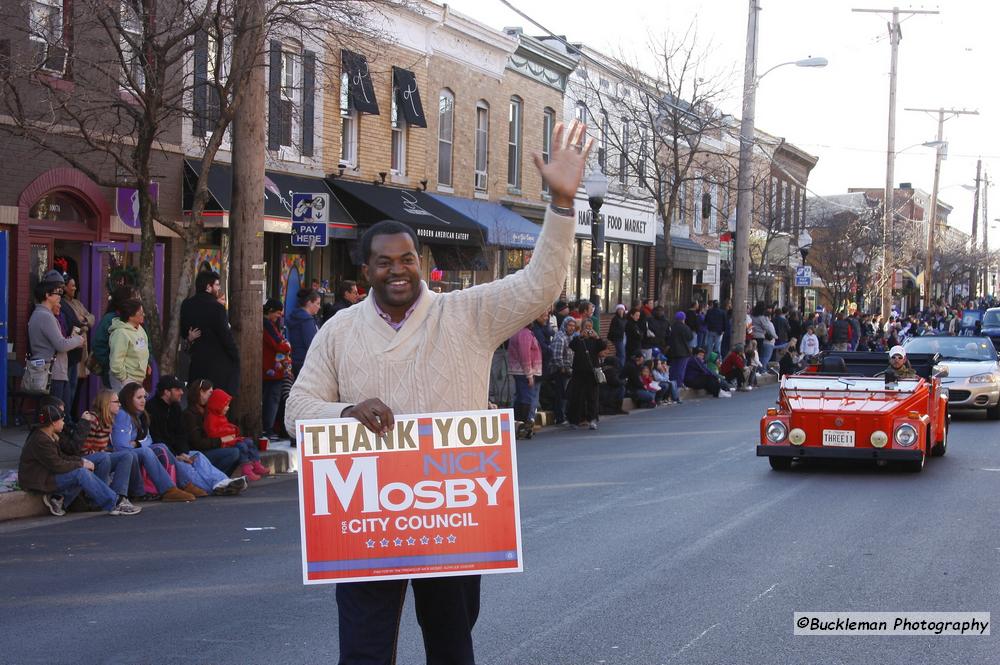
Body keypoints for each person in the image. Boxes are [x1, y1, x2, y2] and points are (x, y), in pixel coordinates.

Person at [283, 118, 591, 665]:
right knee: (364, 650)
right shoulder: (339, 330)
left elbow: (539, 284)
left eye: (407, 259)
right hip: (368, 519)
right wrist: (347, 411)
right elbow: (296, 410)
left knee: (451, 644)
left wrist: (562, 206)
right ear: (365, 268)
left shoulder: (465, 314)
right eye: (385, 261)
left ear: (420, 262)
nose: (399, 270)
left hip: (449, 516)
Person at [19, 398, 141, 516]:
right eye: (61, 420)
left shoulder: (50, 435)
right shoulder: (41, 440)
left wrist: (82, 460)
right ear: (53, 423)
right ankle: (115, 503)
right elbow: (58, 465)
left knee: (84, 467)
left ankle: (60, 500)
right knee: (80, 473)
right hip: (39, 480)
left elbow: (62, 457)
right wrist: (81, 464)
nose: (63, 423)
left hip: (48, 475)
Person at [146, 375, 248, 495]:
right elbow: (157, 438)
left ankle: (223, 482)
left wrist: (183, 452)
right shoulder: (152, 408)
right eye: (177, 389)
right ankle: (212, 488)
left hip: (180, 452)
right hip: (164, 454)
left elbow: (181, 434)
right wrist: (176, 455)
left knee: (197, 456)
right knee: (184, 465)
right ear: (167, 392)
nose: (181, 392)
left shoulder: (175, 407)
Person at [110, 382, 197, 502]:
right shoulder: (123, 415)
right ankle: (168, 489)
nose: (143, 401)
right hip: (122, 455)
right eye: (139, 397)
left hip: (134, 451)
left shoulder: (140, 415)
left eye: (144, 397)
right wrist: (139, 446)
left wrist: (137, 443)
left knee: (161, 446)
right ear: (129, 399)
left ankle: (185, 484)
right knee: (146, 452)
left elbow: (149, 440)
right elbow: (121, 446)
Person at [27, 275, 84, 413]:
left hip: (49, 369)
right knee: (56, 413)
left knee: (53, 412)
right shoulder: (46, 316)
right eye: (57, 292)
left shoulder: (39, 313)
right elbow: (61, 344)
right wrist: (79, 340)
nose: (60, 295)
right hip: (53, 371)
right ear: (47, 295)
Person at [181, 270, 240, 395]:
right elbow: (225, 335)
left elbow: (184, 332)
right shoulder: (217, 308)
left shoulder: (187, 305)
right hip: (217, 367)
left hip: (196, 363)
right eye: (217, 285)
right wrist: (235, 355)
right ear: (208, 287)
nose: (218, 288)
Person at [203, 388, 270, 481]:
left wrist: (232, 428)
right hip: (224, 442)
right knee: (242, 446)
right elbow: (213, 432)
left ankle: (256, 463)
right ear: (218, 405)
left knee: (249, 441)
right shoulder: (211, 418)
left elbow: (225, 426)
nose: (228, 408)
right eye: (225, 405)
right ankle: (246, 468)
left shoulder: (220, 416)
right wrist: (229, 431)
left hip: (230, 439)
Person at [181, 379, 242, 477]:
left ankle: (222, 478)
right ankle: (215, 478)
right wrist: (220, 440)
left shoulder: (207, 411)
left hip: (209, 449)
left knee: (240, 448)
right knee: (234, 453)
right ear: (201, 392)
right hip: (198, 453)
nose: (212, 396)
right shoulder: (189, 415)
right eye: (210, 393)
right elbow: (198, 443)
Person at [91, 286, 139, 389]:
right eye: (133, 298)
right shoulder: (109, 319)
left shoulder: (136, 319)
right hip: (114, 374)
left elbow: (145, 342)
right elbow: (98, 345)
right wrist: (109, 364)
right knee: (115, 402)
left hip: (135, 373)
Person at [62, 276, 95, 413]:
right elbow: (75, 323)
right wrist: (82, 323)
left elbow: (91, 318)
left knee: (78, 384)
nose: (74, 288)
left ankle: (73, 415)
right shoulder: (63, 304)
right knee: (70, 384)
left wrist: (85, 321)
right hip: (72, 350)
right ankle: (68, 416)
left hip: (83, 349)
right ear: (64, 287)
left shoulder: (77, 303)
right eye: (72, 285)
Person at [507, 320, 543, 439]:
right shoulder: (524, 333)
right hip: (523, 372)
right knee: (526, 398)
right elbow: (525, 355)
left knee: (521, 397)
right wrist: (529, 374)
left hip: (520, 371)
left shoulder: (519, 332)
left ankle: (519, 425)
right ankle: (521, 426)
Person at [262, 298, 292, 439]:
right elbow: (279, 344)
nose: (279, 316)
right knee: (272, 399)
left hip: (273, 369)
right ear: (271, 311)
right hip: (271, 371)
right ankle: (268, 428)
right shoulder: (266, 324)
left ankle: (271, 427)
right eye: (278, 313)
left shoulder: (271, 324)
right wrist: (286, 346)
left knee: (273, 399)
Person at [108, 299, 150, 392]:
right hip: (125, 381)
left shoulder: (140, 329)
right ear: (131, 316)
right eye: (140, 313)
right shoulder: (120, 333)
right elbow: (116, 361)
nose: (143, 315)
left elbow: (142, 349)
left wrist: (146, 365)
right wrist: (124, 379)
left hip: (138, 379)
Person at [287, 288, 321, 379]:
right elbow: (312, 344)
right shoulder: (307, 320)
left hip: (296, 359)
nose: (319, 307)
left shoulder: (296, 316)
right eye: (317, 303)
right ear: (309, 303)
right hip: (306, 361)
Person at [550, 316, 576, 425]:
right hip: (561, 370)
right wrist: (563, 368)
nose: (572, 328)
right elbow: (556, 356)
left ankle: (566, 415)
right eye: (570, 325)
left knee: (567, 395)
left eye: (573, 326)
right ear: (565, 325)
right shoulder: (560, 337)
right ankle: (560, 417)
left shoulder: (572, 337)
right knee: (561, 395)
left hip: (570, 369)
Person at [668, 311, 693, 386]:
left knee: (673, 370)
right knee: (680, 370)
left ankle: (672, 385)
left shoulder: (672, 327)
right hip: (684, 352)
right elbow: (690, 337)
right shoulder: (685, 327)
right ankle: (678, 386)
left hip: (673, 351)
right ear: (683, 319)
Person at [751, 302, 777, 372]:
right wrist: (775, 336)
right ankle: (758, 370)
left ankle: (753, 369)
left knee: (752, 353)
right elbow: (766, 327)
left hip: (752, 336)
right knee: (758, 354)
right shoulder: (762, 317)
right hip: (760, 337)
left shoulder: (752, 316)